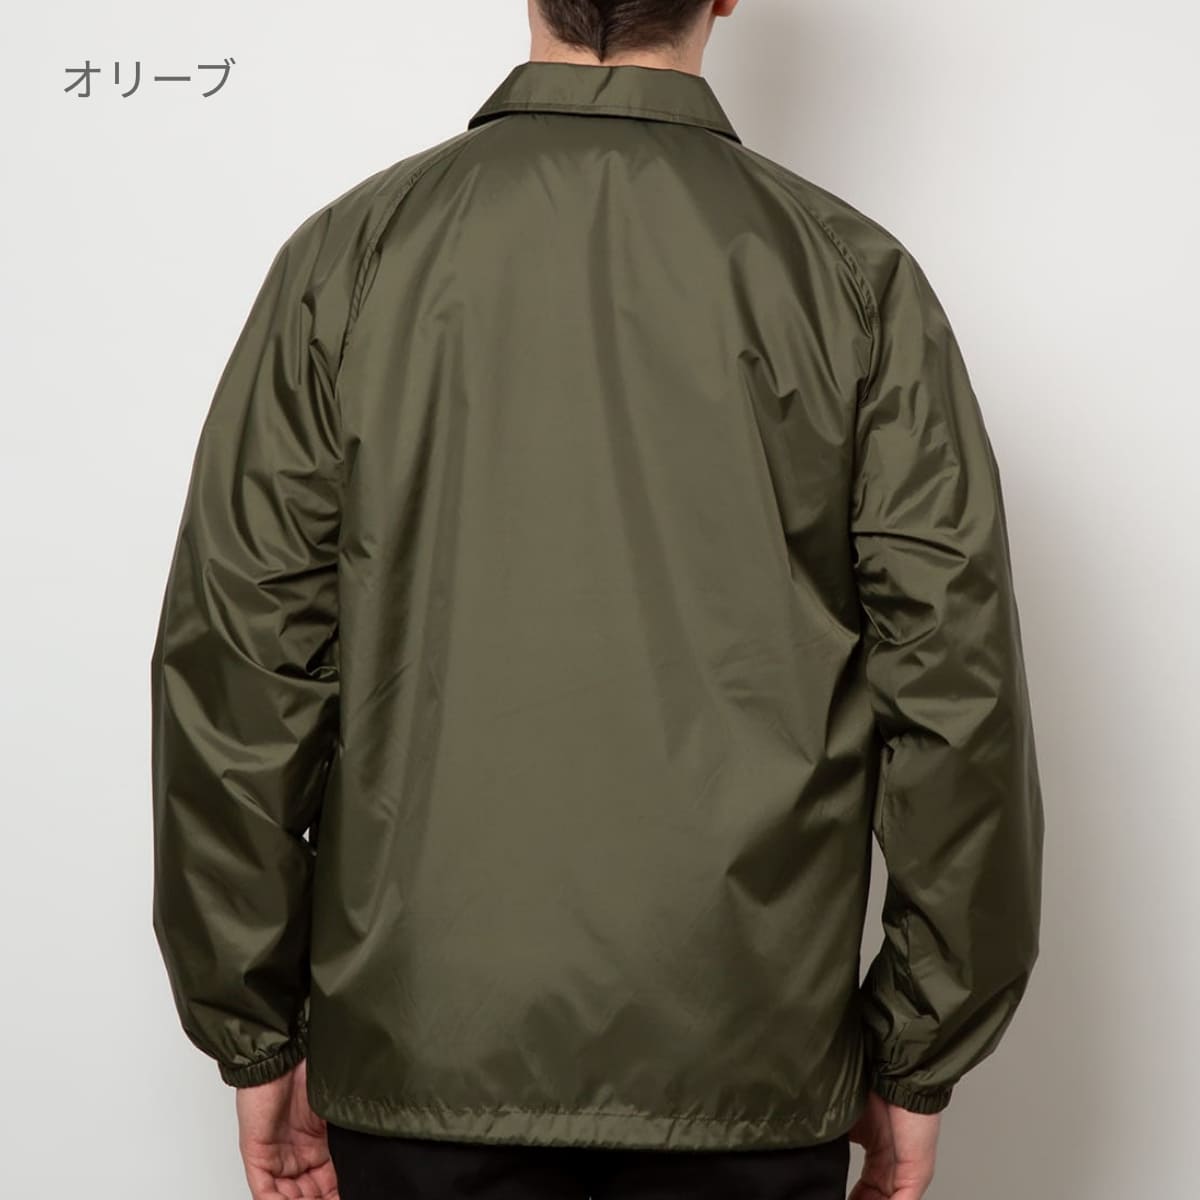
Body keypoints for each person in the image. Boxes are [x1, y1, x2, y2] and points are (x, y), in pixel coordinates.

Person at [149, 2, 1045, 1197]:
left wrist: (252, 1026)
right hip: (745, 1058)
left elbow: (240, 674)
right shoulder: (853, 280)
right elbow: (955, 699)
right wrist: (917, 1054)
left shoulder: (348, 261)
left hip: (424, 1048)